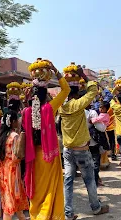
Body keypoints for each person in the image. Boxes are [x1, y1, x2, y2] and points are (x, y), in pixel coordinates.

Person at [59, 68, 109, 219]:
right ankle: (95, 207)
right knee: (89, 180)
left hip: (67, 150)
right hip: (81, 150)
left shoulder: (61, 107)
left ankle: (68, 213)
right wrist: (82, 75)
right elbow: (93, 89)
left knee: (68, 181)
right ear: (78, 90)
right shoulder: (79, 104)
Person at [23, 61, 70, 220]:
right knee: (50, 190)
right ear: (46, 95)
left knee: (37, 190)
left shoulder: (26, 112)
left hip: (33, 156)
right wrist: (56, 71)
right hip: (49, 156)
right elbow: (66, 90)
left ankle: (36, 215)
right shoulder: (50, 108)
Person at [0, 111, 29, 220]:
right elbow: (16, 156)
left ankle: (21, 217)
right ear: (13, 122)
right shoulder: (14, 136)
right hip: (13, 170)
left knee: (8, 199)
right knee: (11, 202)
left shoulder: (1, 135)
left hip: (3, 168)